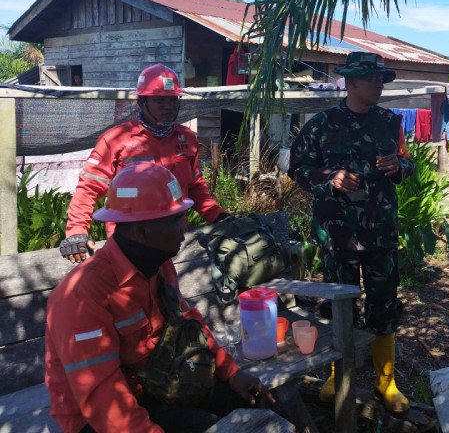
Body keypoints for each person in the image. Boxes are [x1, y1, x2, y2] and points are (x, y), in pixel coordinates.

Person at [45, 163, 270, 433]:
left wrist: (232, 373)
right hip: (99, 417)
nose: (183, 228)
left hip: (159, 384)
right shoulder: (83, 295)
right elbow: (102, 396)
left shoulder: (158, 265)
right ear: (141, 230)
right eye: (174, 219)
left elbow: (189, 323)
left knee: (256, 405)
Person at [288, 51, 415, 413]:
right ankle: (336, 376)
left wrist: (399, 166)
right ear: (352, 82)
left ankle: (385, 383)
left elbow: (408, 163)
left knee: (384, 305)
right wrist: (331, 178)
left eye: (380, 79)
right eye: (373, 79)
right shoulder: (322, 124)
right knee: (339, 307)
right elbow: (296, 167)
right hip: (337, 233)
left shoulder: (390, 122)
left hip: (381, 232)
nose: (379, 85)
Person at [60, 64, 228, 263]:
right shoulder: (116, 140)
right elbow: (89, 188)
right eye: (160, 100)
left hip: (174, 239)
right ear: (141, 102)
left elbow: (195, 187)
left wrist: (220, 218)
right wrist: (77, 231)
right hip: (129, 243)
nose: (169, 106)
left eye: (173, 100)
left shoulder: (187, 139)